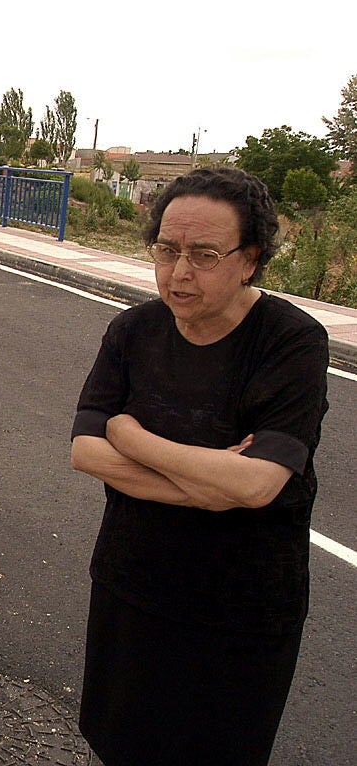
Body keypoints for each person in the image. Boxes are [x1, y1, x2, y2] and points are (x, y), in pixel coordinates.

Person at [70, 167, 330, 766]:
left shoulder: (290, 342)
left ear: (250, 259)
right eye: (167, 250)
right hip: (133, 586)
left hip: (241, 609)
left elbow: (259, 483)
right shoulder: (134, 330)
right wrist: (209, 483)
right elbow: (85, 451)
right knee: (120, 746)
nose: (179, 272)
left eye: (204, 254)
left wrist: (130, 435)